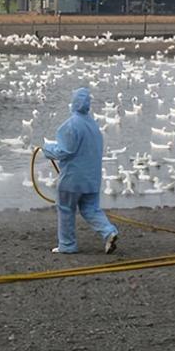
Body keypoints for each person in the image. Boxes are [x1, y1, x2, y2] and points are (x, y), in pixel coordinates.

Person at [43, 87, 119, 254]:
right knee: (91, 209)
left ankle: (67, 245)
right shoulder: (94, 126)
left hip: (72, 179)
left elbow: (64, 151)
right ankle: (109, 232)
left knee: (66, 209)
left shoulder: (71, 125)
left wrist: (46, 150)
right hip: (92, 179)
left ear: (74, 103)